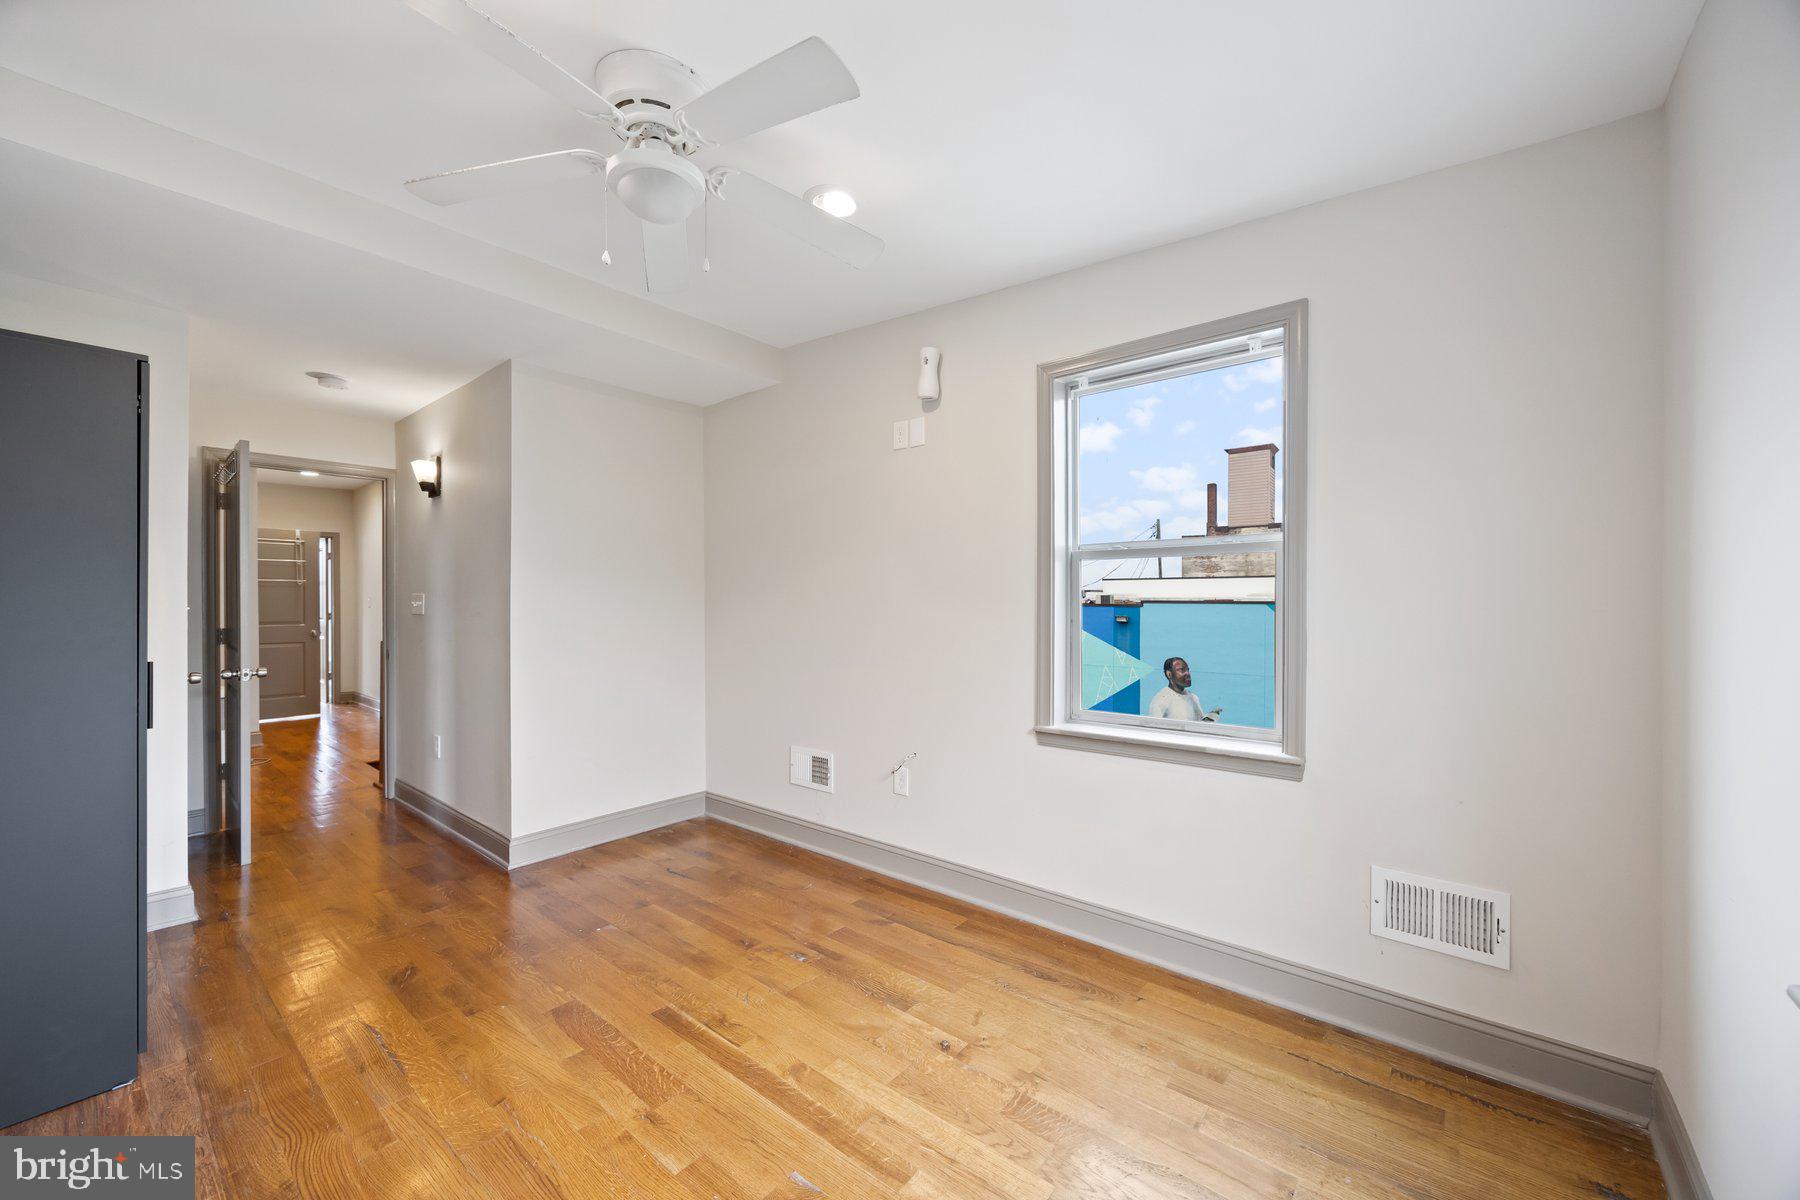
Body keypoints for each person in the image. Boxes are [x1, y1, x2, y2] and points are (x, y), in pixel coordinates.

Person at [1147, 657, 1221, 722]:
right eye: (1182, 670)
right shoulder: (1160, 700)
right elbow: (1154, 730)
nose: (1187, 674)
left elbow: (1200, 726)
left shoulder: (1193, 698)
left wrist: (1211, 717)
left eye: (1188, 670)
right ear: (1169, 674)